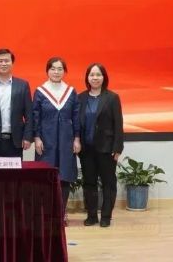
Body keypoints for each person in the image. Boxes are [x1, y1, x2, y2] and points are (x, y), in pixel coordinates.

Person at [33, 56, 81, 223]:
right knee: (45, 176)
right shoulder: (40, 91)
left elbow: (76, 117)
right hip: (46, 141)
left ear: (64, 72)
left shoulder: (71, 92)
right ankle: (46, 213)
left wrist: (77, 138)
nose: (56, 72)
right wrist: (37, 137)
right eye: (53, 68)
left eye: (60, 69)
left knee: (64, 176)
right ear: (47, 71)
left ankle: (61, 213)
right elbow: (35, 117)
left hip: (67, 140)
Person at [78, 63, 124, 227]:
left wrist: (117, 148)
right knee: (89, 183)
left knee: (108, 183)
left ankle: (106, 216)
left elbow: (118, 124)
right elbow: (77, 123)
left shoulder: (112, 98)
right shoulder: (81, 98)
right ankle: (91, 216)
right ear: (87, 78)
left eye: (98, 75)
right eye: (92, 75)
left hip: (107, 149)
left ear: (104, 78)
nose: (95, 78)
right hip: (86, 149)